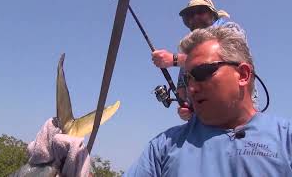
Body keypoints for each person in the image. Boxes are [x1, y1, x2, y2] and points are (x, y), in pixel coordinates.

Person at [124, 26, 292, 176]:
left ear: (243, 75)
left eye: (203, 73)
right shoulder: (162, 147)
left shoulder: (286, 139)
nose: (192, 89)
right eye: (188, 79)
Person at [151, 0, 250, 120]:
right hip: (204, 122)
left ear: (213, 15)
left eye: (201, 12)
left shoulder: (231, 28)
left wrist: (174, 59)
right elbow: (182, 89)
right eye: (189, 15)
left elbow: (230, 56)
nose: (195, 18)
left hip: (237, 116)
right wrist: (184, 109)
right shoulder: (189, 49)